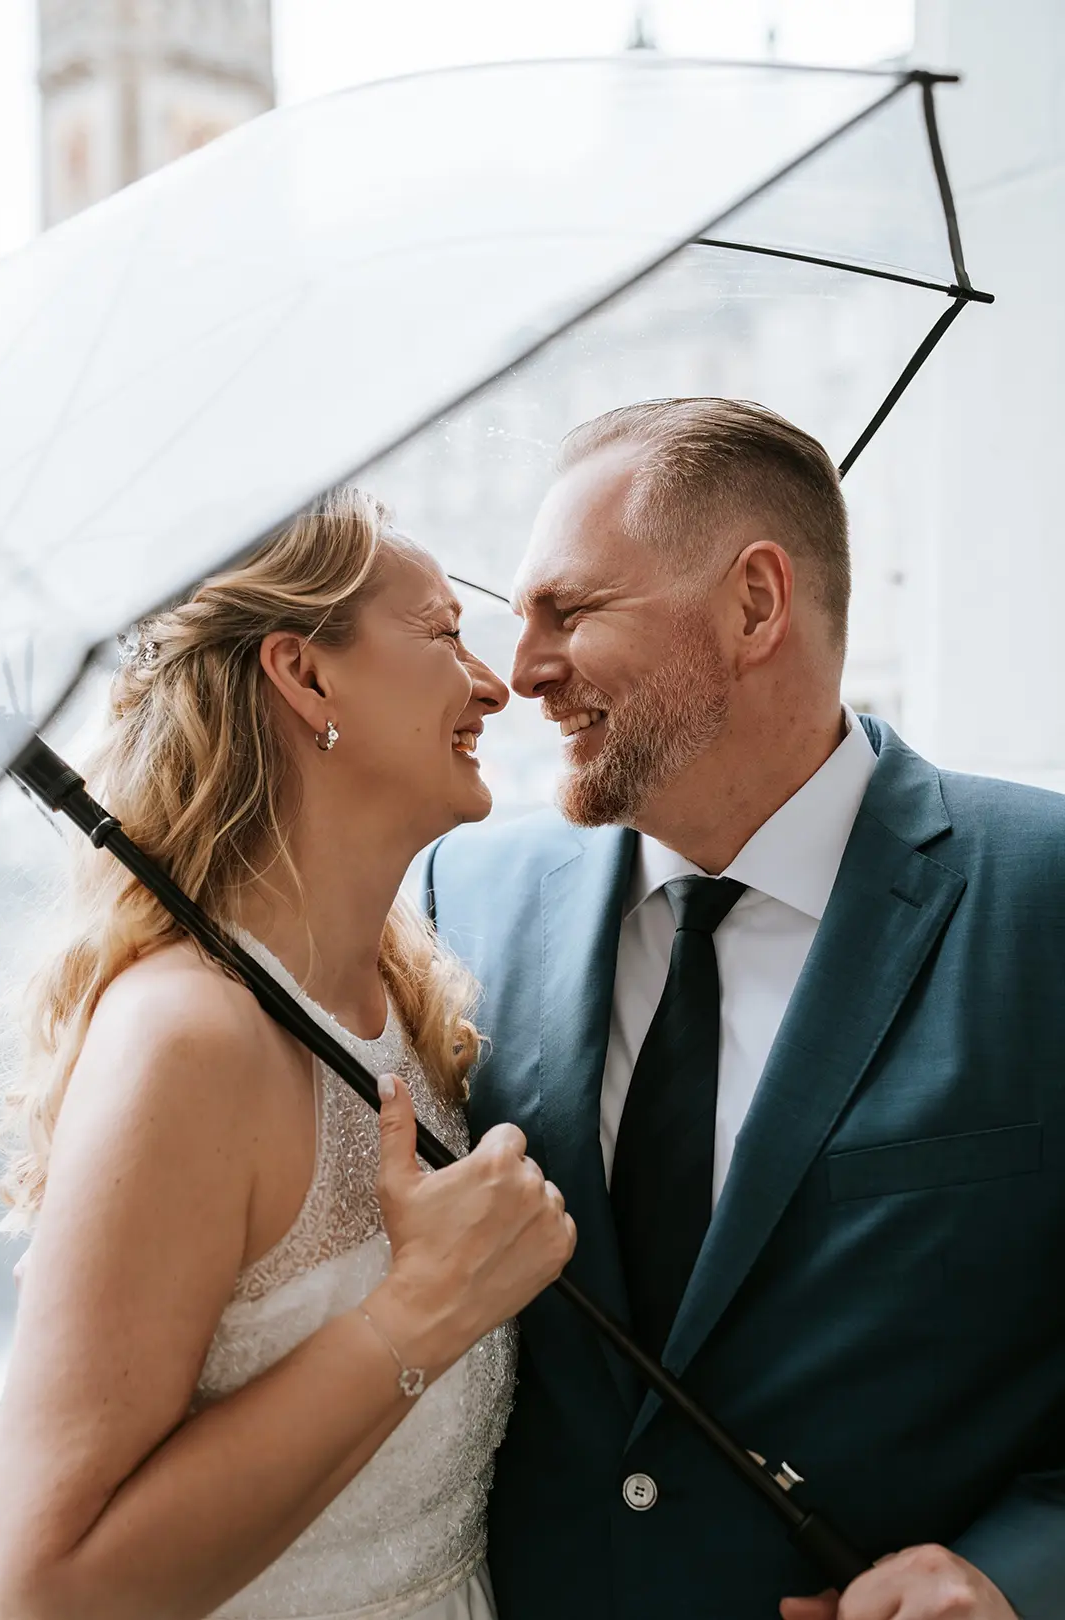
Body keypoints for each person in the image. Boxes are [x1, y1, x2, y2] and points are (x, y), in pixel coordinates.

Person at [424, 398, 1065, 1620]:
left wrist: (1018, 1575)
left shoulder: (1045, 898)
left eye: (570, 610)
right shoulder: (463, 894)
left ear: (757, 603)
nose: (521, 672)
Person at [0, 489, 576, 1620]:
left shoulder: (403, 1003)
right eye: (445, 632)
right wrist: (423, 1309)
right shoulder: (187, 1041)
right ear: (305, 677)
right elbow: (41, 1591)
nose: (493, 684)